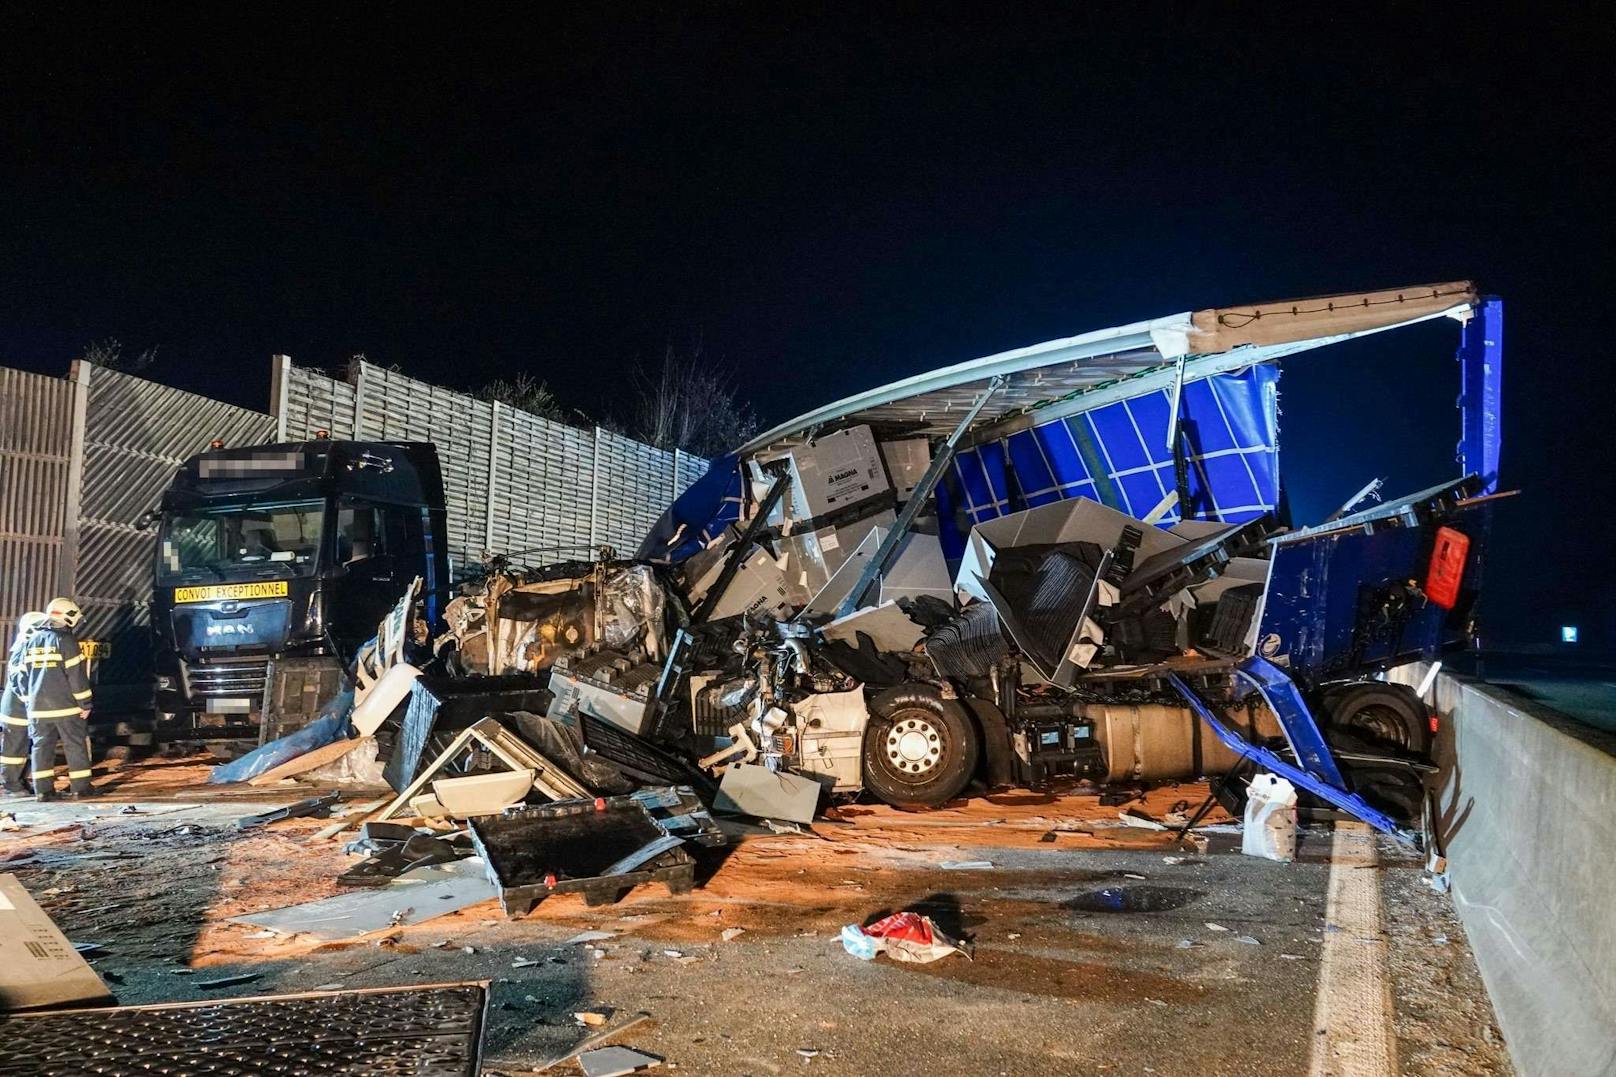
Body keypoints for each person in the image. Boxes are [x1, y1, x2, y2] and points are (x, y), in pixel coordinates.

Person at [22, 597, 95, 800]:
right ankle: (81, 788)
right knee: (75, 745)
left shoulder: (32, 640)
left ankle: (43, 791)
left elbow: (24, 676)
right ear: (68, 617)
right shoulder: (66, 641)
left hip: (37, 709)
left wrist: (29, 702)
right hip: (66, 708)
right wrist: (85, 703)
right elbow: (76, 677)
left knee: (40, 748)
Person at [1, 611, 45, 795]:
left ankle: (19, 780)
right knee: (13, 751)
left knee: (23, 749)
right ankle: (11, 784)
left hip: (25, 710)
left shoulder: (26, 648)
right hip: (16, 711)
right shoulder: (22, 650)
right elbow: (22, 683)